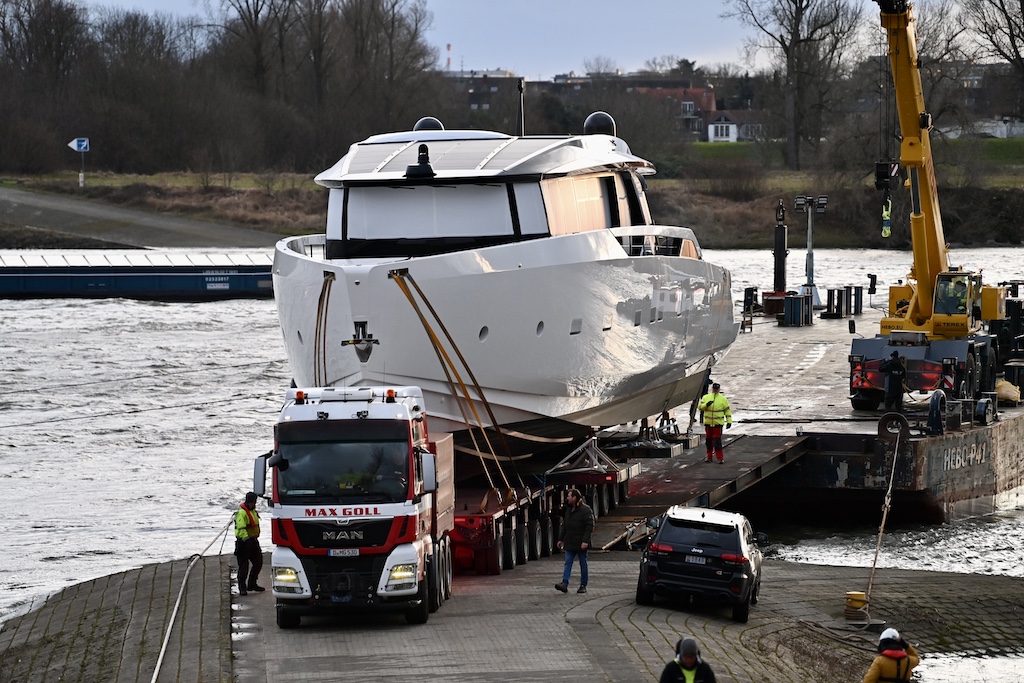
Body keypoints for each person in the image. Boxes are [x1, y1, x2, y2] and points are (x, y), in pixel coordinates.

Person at [554, 488, 595, 594]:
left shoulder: (586, 510)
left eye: (569, 496)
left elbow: (590, 526)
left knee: (583, 563)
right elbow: (565, 526)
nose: (567, 498)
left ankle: (583, 585)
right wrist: (560, 539)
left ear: (574, 497)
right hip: (570, 542)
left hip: (581, 543)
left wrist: (585, 541)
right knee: (568, 562)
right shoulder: (569, 510)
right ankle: (564, 583)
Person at [234, 491, 264, 595]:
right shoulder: (242, 513)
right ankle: (242, 587)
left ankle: (252, 584)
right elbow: (241, 528)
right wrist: (246, 540)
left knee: (258, 563)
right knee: (243, 566)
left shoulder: (253, 511)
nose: (254, 504)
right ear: (249, 502)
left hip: (253, 541)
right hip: (244, 542)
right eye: (253, 502)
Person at [698, 382, 732, 463]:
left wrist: (729, 421)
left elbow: (727, 411)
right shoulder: (706, 397)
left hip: (717, 424)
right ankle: (709, 457)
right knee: (708, 442)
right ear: (712, 388)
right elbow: (700, 407)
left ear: (719, 389)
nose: (716, 390)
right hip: (708, 424)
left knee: (717, 442)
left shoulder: (723, 399)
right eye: (714, 388)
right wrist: (706, 405)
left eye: (717, 388)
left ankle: (720, 458)